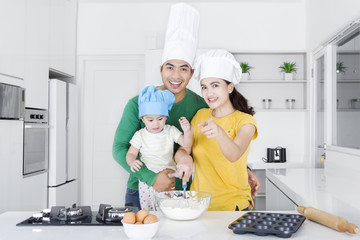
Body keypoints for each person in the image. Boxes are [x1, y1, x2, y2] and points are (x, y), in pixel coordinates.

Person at [112, 3, 260, 209]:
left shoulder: (201, 106)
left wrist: (244, 169)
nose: (175, 75)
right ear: (161, 69)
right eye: (169, 67)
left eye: (183, 69)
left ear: (191, 73)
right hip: (142, 188)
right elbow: (119, 148)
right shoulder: (138, 103)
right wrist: (151, 177)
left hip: (185, 188)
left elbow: (212, 148)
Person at [179, 49, 258, 211]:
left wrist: (219, 133)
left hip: (232, 206)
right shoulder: (201, 115)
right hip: (198, 204)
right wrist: (183, 158)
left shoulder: (245, 121)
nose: (209, 93)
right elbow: (183, 148)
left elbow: (234, 155)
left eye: (215, 85)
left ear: (230, 87)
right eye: (204, 87)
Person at [126, 85, 193, 211]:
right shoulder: (140, 135)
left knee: (167, 210)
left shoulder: (171, 131)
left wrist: (187, 131)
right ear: (142, 119)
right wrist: (132, 162)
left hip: (168, 179)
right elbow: (130, 154)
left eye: (160, 119)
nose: (156, 123)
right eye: (150, 120)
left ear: (166, 117)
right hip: (147, 181)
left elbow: (186, 143)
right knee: (149, 211)